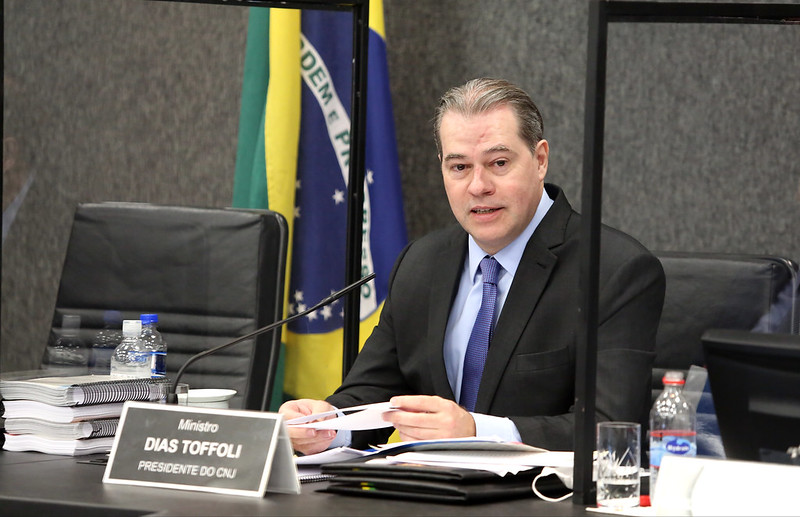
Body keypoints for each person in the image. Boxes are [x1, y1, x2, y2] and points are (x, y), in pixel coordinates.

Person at [279, 77, 665, 455]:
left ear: (540, 159)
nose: (478, 186)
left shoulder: (614, 271)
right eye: (459, 167)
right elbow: (375, 391)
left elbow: (608, 428)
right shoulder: (421, 262)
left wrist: (477, 430)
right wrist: (327, 424)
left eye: (498, 163)